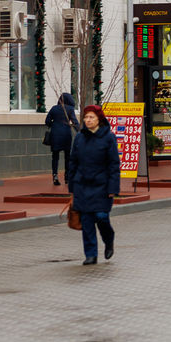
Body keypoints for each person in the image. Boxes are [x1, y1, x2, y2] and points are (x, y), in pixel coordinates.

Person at [68, 104, 120, 265]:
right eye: (86, 117)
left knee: (101, 216)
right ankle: (90, 254)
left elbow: (114, 165)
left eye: (91, 117)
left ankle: (108, 239)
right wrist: (72, 187)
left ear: (99, 119)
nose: (88, 120)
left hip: (102, 186)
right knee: (87, 221)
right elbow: (73, 162)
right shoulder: (80, 137)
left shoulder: (108, 137)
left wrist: (113, 188)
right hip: (82, 185)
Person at [44, 92, 79, 186]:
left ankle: (55, 176)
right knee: (67, 157)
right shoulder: (70, 109)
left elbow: (47, 121)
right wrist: (80, 132)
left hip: (55, 135)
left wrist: (54, 125)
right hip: (66, 135)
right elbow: (75, 122)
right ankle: (67, 176)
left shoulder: (54, 108)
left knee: (55, 157)